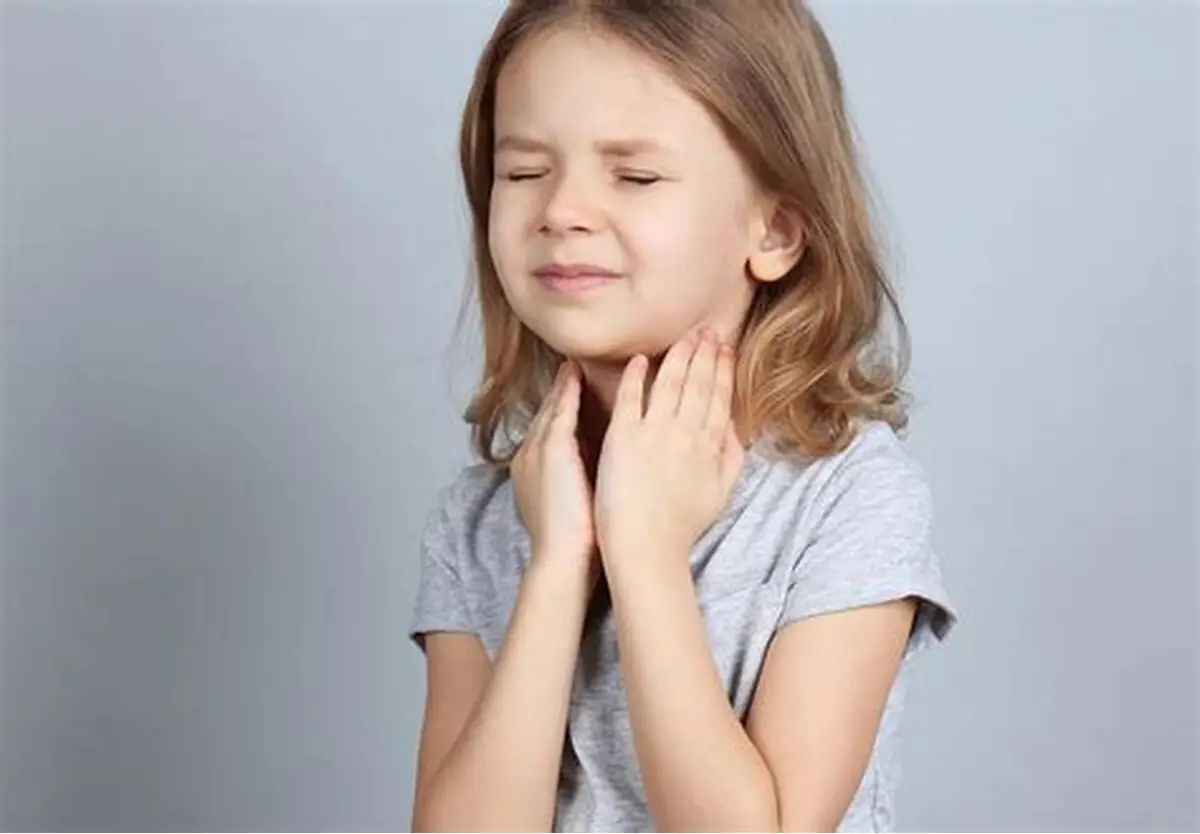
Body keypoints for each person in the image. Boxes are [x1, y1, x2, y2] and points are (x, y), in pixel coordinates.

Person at [408, 1, 956, 831]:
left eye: (634, 176)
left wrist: (646, 553)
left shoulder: (848, 499)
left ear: (774, 229)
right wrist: (559, 565)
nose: (561, 211)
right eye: (524, 172)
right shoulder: (482, 522)